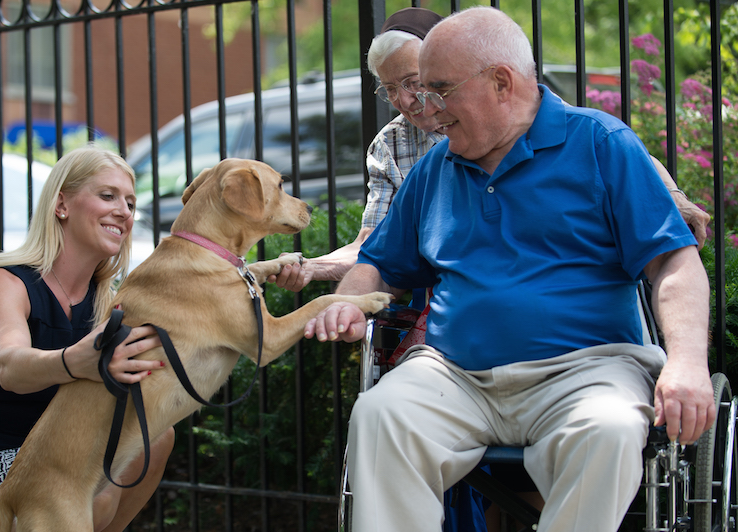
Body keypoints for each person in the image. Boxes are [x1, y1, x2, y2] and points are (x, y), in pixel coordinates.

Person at [304, 7, 714, 532]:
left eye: (440, 89)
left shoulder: (599, 144)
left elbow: (675, 263)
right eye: (419, 91)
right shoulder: (436, 166)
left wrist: (685, 363)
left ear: (502, 82)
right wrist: (347, 300)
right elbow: (378, 263)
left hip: (585, 372)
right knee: (382, 416)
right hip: (454, 374)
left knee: (608, 429)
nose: (425, 107)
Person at [268, 11, 710, 294]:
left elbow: (604, 147)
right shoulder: (394, 145)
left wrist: (671, 198)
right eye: (389, 89)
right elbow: (373, 247)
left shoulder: (513, 116)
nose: (405, 100)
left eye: (415, 82)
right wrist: (311, 268)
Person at [0, 145, 174, 532]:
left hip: (50, 459)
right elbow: (8, 365)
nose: (124, 211)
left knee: (154, 438)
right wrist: (73, 361)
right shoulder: (3, 282)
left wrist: (269, 272)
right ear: (61, 204)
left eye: (130, 203)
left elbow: (188, 300)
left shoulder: (106, 300)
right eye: (107, 195)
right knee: (86, 488)